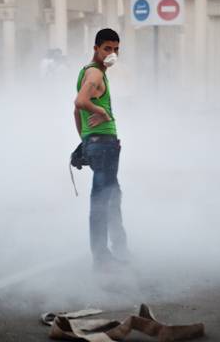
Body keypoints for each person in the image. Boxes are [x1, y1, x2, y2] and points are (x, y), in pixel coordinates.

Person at [73, 28, 129, 271]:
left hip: (99, 143)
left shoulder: (87, 72)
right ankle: (102, 259)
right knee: (102, 201)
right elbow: (80, 102)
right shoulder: (95, 73)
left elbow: (77, 113)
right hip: (104, 144)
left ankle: (120, 248)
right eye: (107, 48)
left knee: (112, 196)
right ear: (96, 48)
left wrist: (86, 140)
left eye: (116, 49)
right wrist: (102, 112)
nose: (112, 53)